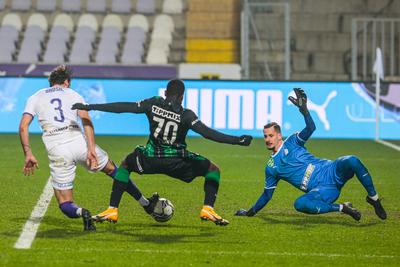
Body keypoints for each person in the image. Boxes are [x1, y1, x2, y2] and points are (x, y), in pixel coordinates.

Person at [72, 79, 253, 226]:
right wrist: (236, 140)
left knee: (126, 164)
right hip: (177, 162)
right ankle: (208, 208)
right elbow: (207, 133)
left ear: (165, 92)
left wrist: (91, 106)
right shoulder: (187, 115)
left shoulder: (153, 103)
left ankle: (112, 209)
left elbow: (125, 107)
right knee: (213, 169)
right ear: (182, 97)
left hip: (149, 158)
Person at [19, 65, 157, 231]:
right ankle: (145, 203)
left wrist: (28, 153)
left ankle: (82, 212)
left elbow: (23, 127)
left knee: (65, 203)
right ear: (66, 82)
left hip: (57, 148)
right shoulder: (73, 94)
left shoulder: (36, 96)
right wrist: (90, 148)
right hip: (78, 141)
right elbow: (86, 121)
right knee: (115, 171)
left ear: (51, 82)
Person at [235, 88, 387, 221]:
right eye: (265, 136)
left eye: (271, 135)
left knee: (352, 160)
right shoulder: (271, 168)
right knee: (300, 204)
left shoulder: (293, 141)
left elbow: (311, 127)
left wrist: (304, 111)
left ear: (279, 136)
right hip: (322, 190)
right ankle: (342, 208)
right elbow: (267, 195)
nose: (267, 139)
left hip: (331, 170)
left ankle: (373, 199)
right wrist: (249, 213)